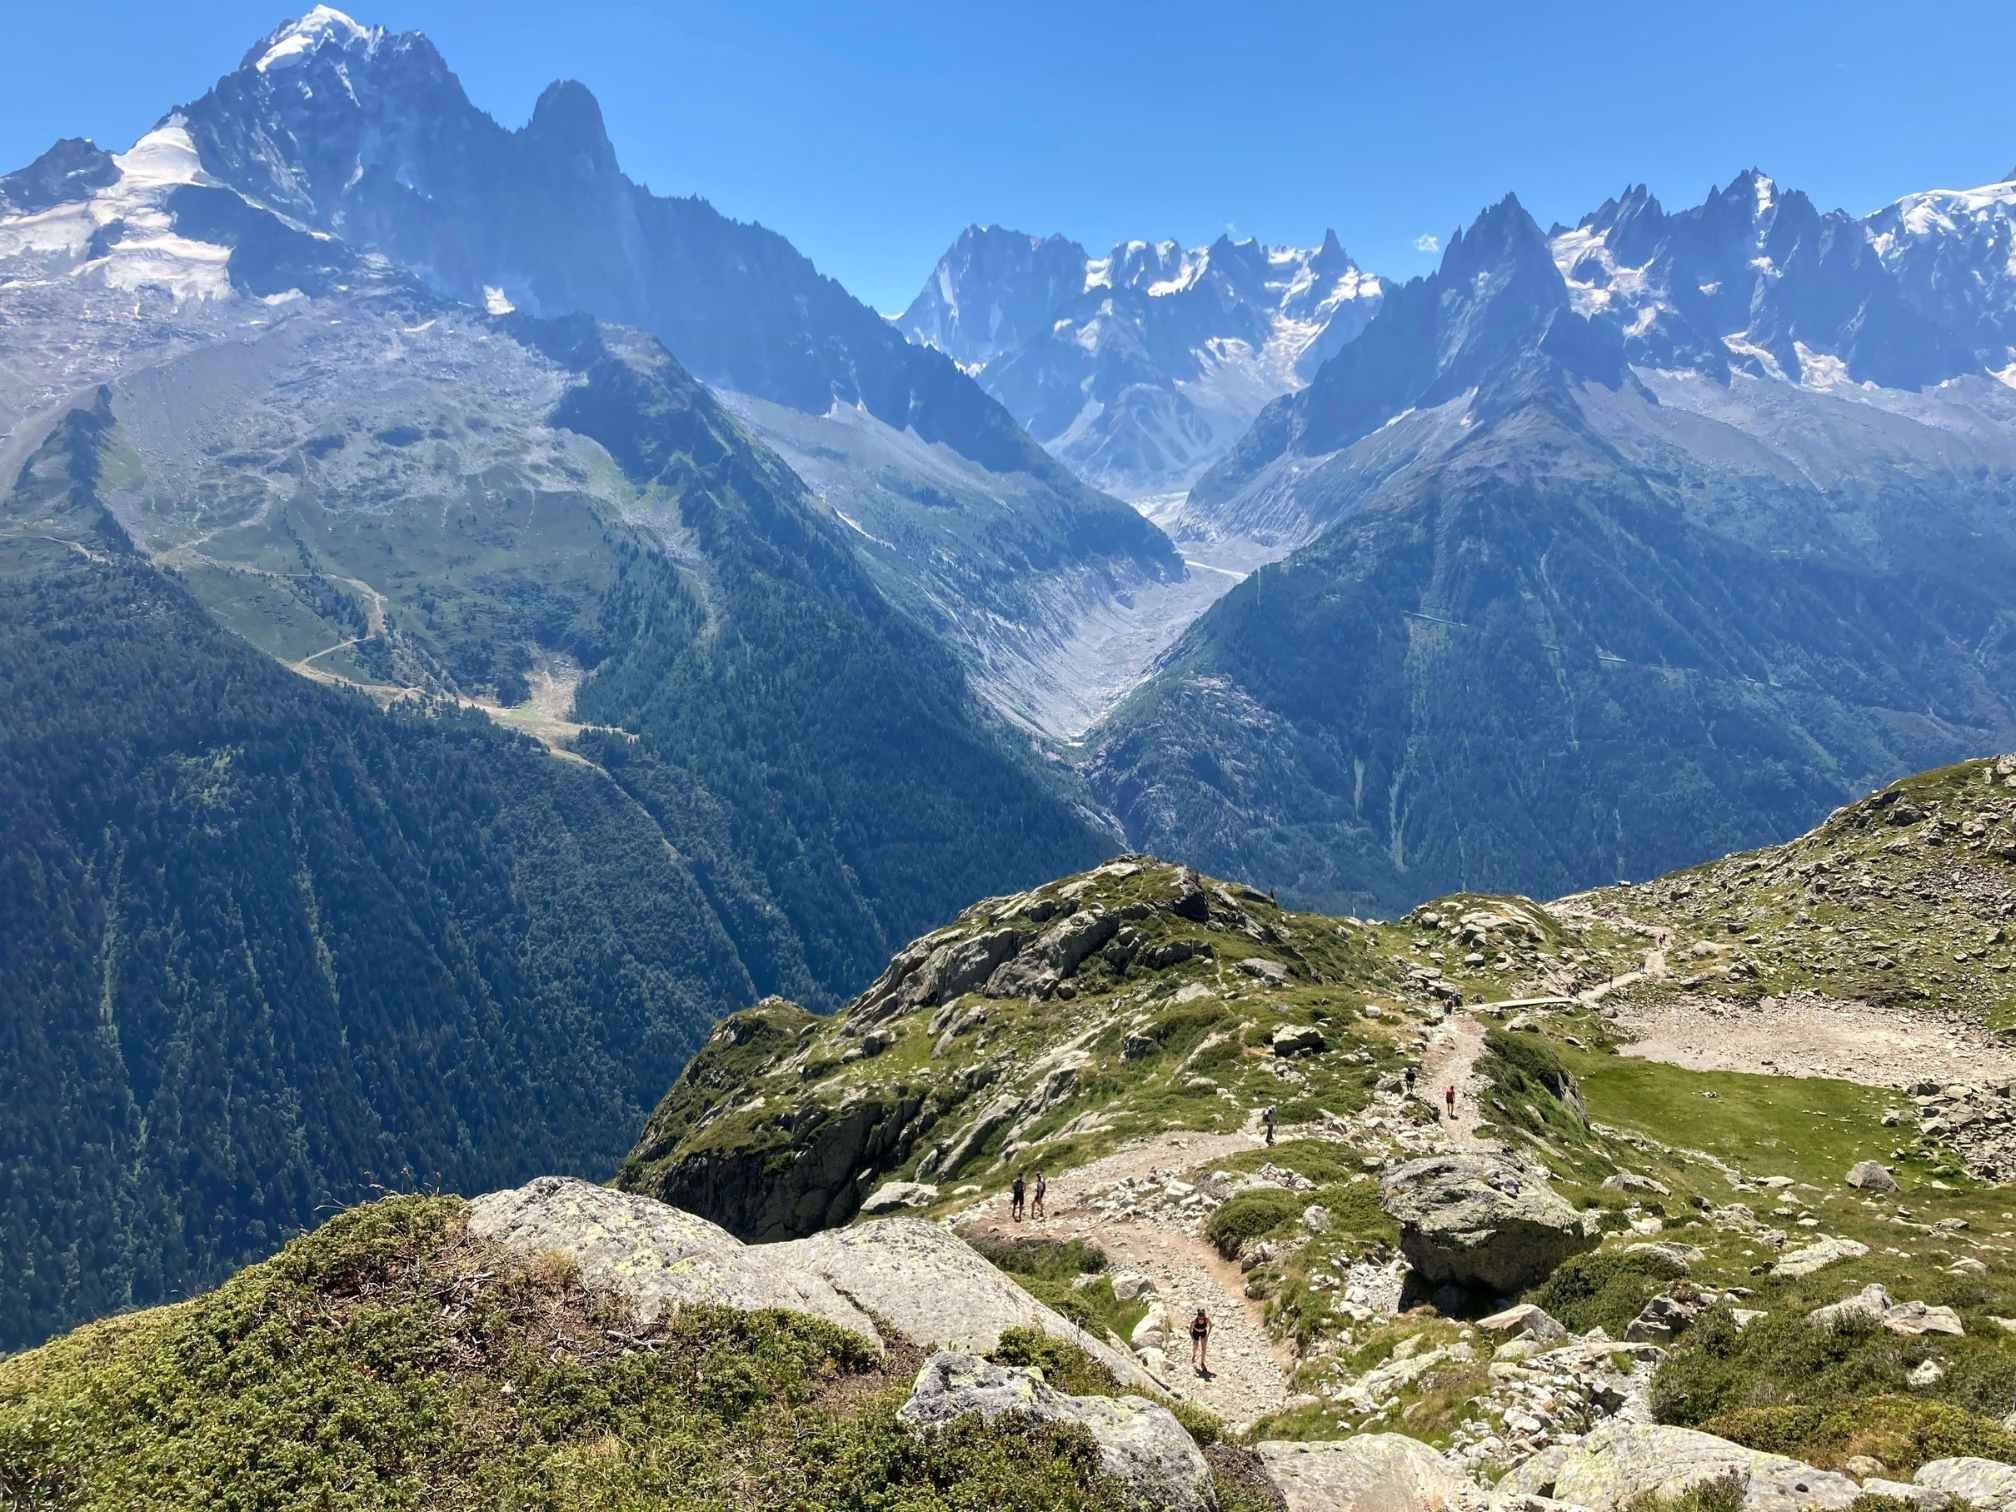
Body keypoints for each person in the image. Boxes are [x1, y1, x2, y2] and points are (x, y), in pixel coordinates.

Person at [1189, 1307, 1212, 1375]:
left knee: (1203, 1349)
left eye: (1202, 1318)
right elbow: (1190, 1330)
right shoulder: (1194, 1321)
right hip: (1195, 1333)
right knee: (1195, 1346)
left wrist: (1207, 1335)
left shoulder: (1207, 1320)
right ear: (1198, 1317)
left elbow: (1211, 1326)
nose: (1201, 1320)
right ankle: (1193, 1355)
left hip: (1203, 1333)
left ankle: (1202, 1362)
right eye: (1199, 1318)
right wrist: (1193, 1338)